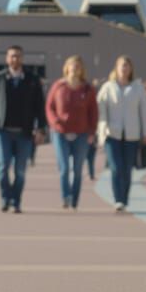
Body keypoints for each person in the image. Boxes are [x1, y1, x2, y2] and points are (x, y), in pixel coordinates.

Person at [0, 45, 47, 213]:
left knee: (20, 171)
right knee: (3, 167)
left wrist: (41, 129)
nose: (15, 59)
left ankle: (16, 201)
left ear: (22, 58)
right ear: (7, 58)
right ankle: (6, 198)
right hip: (2, 131)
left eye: (18, 56)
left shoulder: (32, 80)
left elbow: (40, 106)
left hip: (24, 133)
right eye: (12, 56)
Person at [96, 56, 146, 212]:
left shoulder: (138, 88)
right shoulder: (108, 87)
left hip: (131, 135)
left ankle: (125, 199)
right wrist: (102, 131)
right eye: (122, 65)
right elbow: (101, 110)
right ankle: (117, 199)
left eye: (127, 65)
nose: (124, 68)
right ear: (116, 68)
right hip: (112, 133)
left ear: (131, 69)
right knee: (116, 167)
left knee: (127, 168)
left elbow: (144, 112)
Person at [46, 56, 98, 210]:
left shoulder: (88, 89)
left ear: (82, 69)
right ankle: (65, 196)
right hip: (60, 132)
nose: (74, 69)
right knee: (63, 168)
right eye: (72, 66)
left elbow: (93, 112)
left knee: (77, 169)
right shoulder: (58, 86)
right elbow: (49, 107)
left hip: (81, 133)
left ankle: (75, 198)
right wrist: (54, 121)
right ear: (66, 68)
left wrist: (92, 131)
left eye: (77, 66)